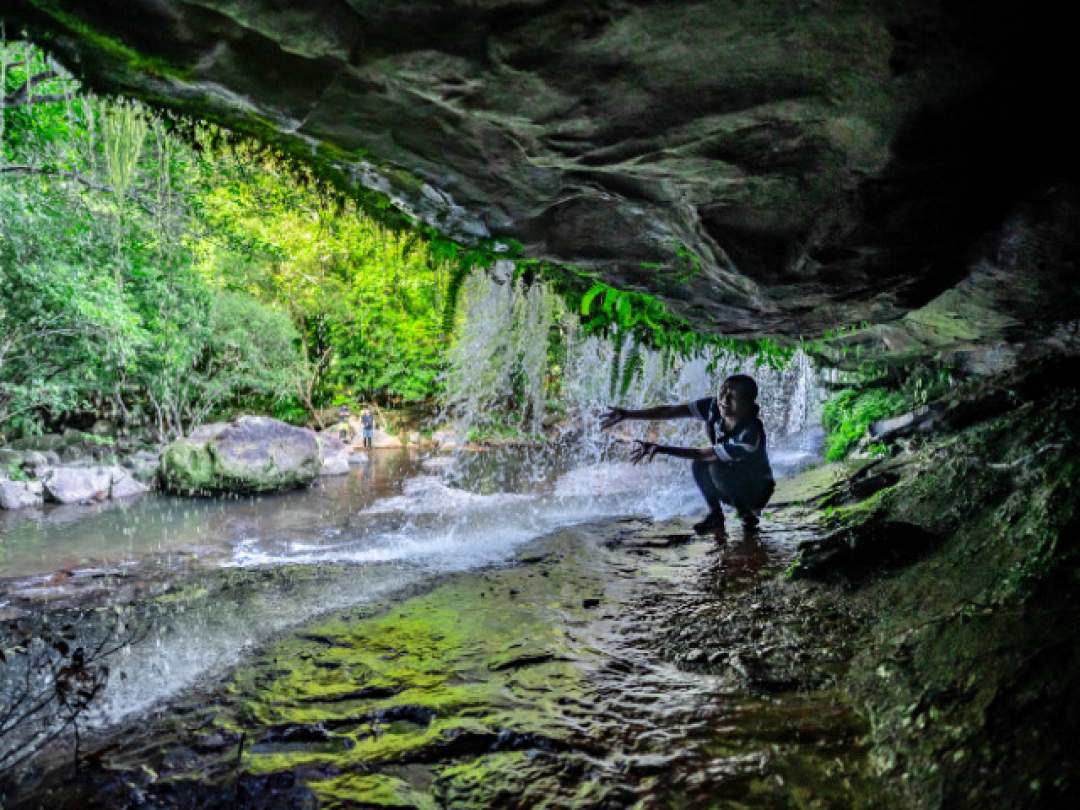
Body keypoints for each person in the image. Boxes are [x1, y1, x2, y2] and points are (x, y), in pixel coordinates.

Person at [600, 374, 775, 534]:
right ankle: (716, 517)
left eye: (733, 396)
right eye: (723, 391)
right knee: (702, 462)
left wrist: (661, 448)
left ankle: (748, 512)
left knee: (704, 462)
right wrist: (627, 414)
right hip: (731, 477)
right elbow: (670, 412)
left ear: (748, 404)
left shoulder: (750, 434)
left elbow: (704, 455)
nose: (724, 399)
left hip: (755, 490)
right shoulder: (713, 407)